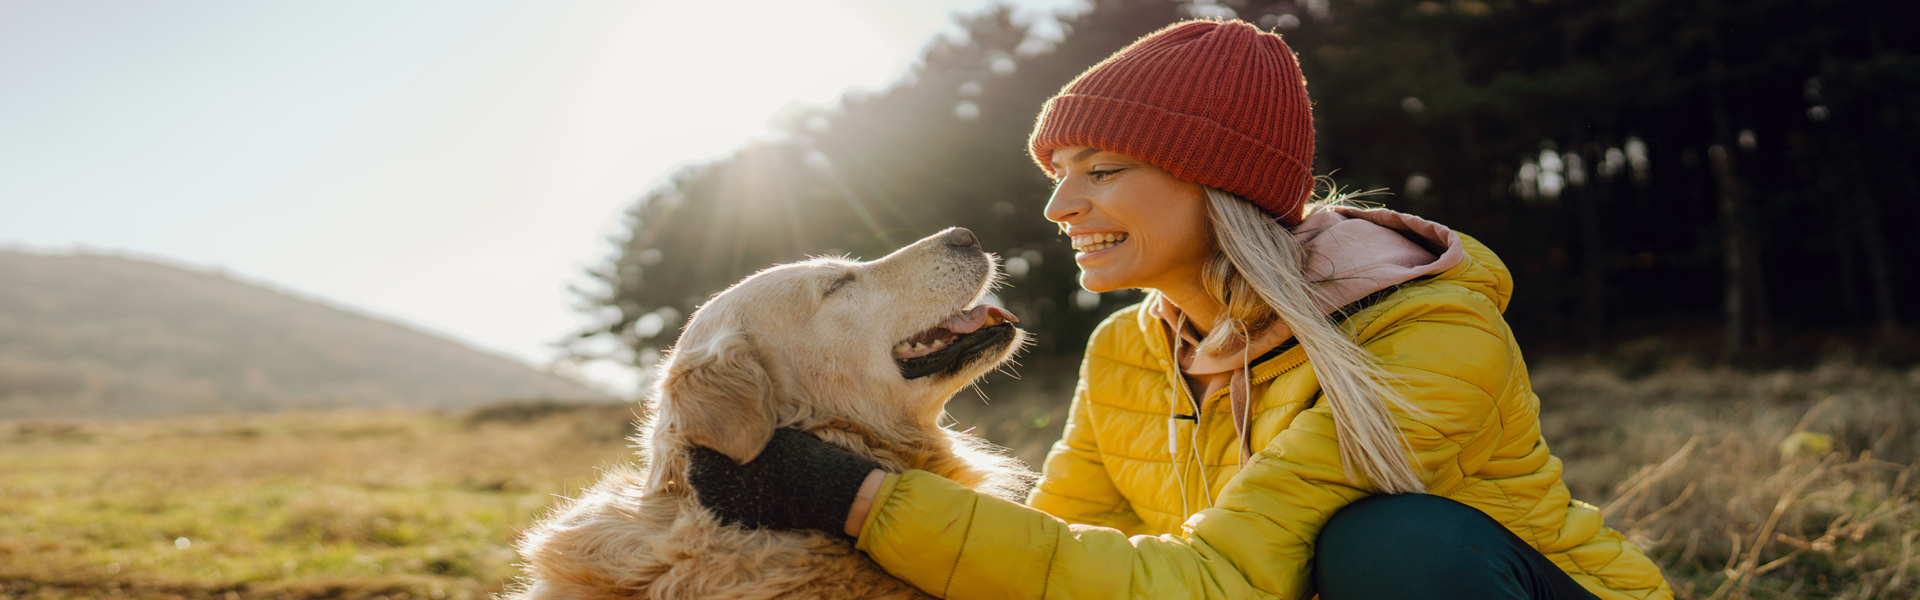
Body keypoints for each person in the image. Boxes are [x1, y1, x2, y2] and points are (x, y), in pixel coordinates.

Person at [684, 19, 1673, 600]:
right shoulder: (1130, 350)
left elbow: (1218, 583)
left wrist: (850, 496)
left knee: (1391, 545)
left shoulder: (1426, 331)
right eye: (1058, 173)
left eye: (1101, 171)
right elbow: (1053, 568)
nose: (1060, 207)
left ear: (1217, 187)